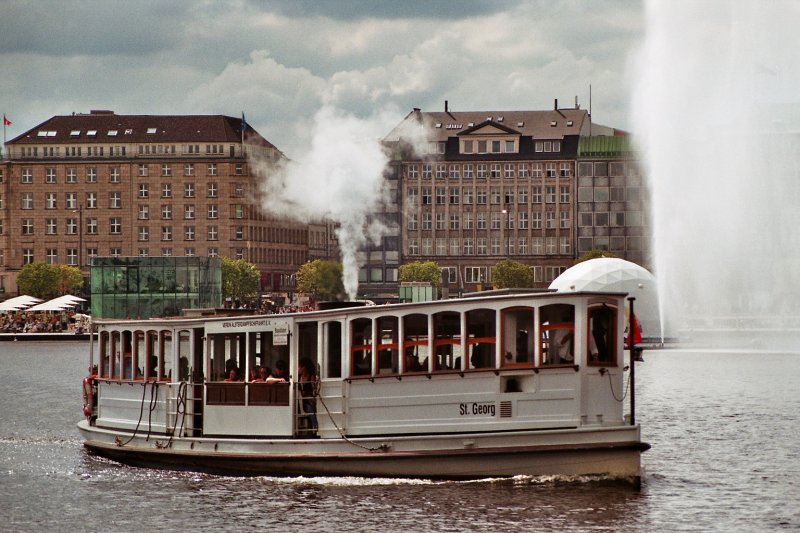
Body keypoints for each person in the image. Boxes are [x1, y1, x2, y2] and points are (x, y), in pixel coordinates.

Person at [297, 357, 318, 432]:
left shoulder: (311, 377)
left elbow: (313, 390)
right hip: (300, 400)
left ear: (304, 368)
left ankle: (314, 426)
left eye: (300, 367)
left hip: (308, 400)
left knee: (309, 407)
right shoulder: (299, 377)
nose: (298, 368)